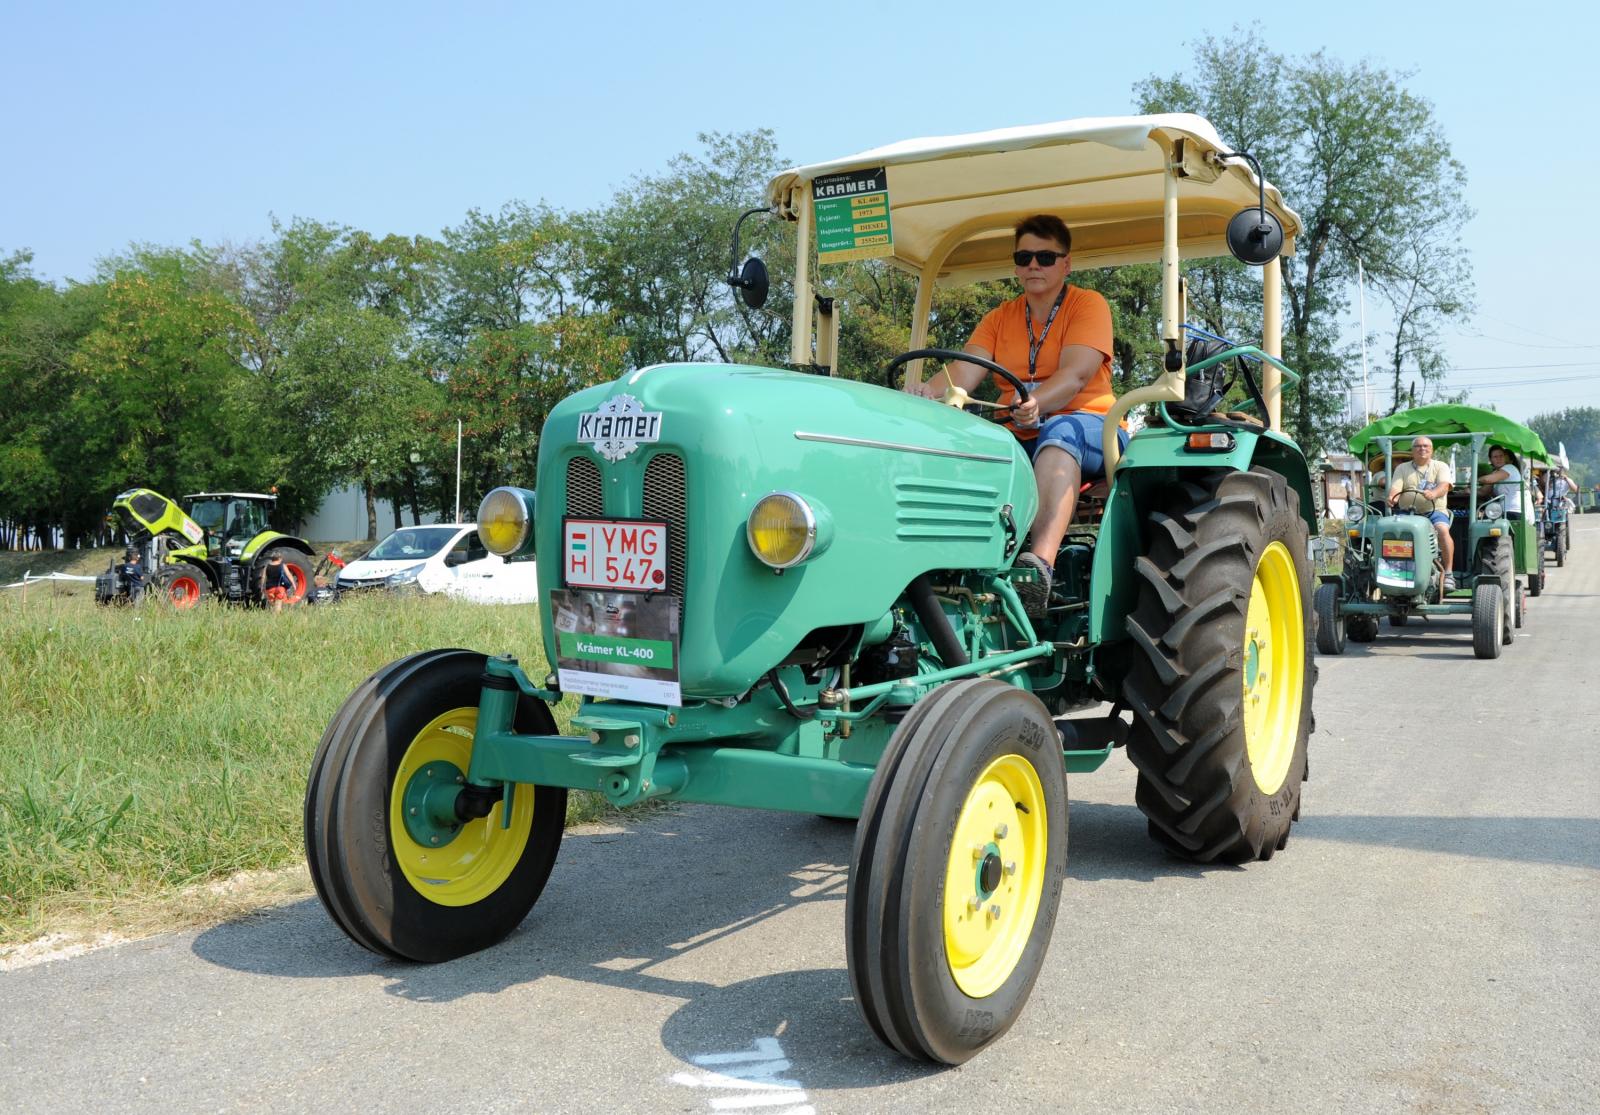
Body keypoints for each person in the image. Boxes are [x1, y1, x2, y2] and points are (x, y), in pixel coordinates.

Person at [919, 214, 1125, 615]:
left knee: (1060, 432)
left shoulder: (1088, 305)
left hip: (1092, 426)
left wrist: (1037, 404)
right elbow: (963, 371)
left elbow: (1075, 374)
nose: (1034, 265)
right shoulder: (1000, 317)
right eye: (1025, 256)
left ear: (1066, 264)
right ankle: (955, 571)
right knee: (967, 445)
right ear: (1015, 265)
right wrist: (922, 395)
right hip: (1021, 431)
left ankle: (1037, 571)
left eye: (1046, 257)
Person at [1388, 435, 1455, 591]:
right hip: (1408, 513)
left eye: (1426, 446)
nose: (1422, 449)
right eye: (1418, 446)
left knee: (1443, 530)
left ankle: (1449, 574)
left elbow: (1444, 485)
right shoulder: (1402, 468)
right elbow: (1396, 488)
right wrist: (1391, 497)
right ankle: (1396, 573)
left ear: (1431, 450)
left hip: (1434, 511)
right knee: (1394, 533)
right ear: (1412, 451)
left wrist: (1434, 493)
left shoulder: (1440, 466)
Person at [1476, 446, 1529, 520]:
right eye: (1495, 457)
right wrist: (1467, 491)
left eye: (1501, 456)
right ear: (1490, 460)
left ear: (1505, 457)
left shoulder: (1509, 468)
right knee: (1482, 520)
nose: (1499, 459)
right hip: (1503, 511)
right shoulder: (1496, 473)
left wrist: (1475, 479)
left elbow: (1487, 479)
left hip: (1514, 511)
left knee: (1482, 522)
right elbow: (1484, 491)